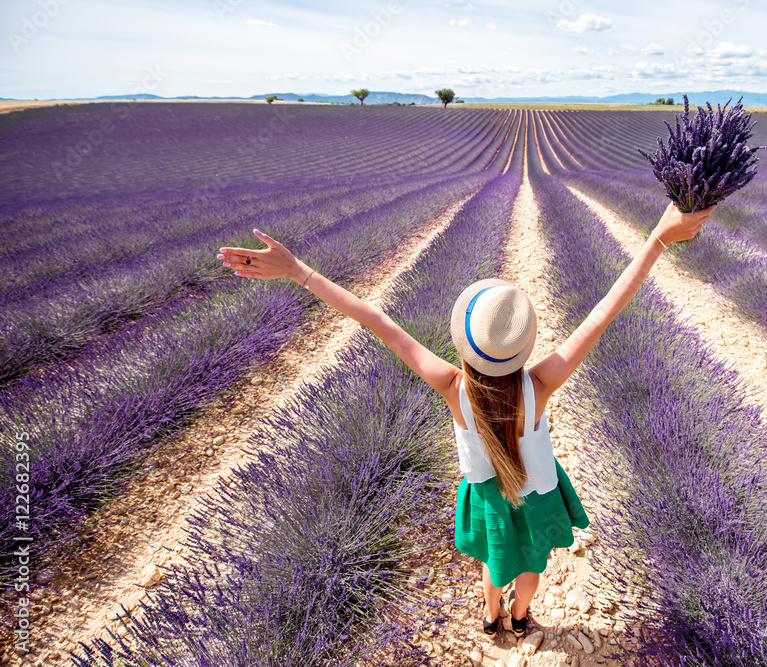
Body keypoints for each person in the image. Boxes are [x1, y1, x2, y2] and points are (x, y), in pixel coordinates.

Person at [214, 201, 715, 639]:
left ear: (466, 346)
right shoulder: (538, 387)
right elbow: (602, 313)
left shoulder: (454, 389)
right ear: (523, 348)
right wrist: (656, 239)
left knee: (493, 564)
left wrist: (300, 271)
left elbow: (377, 321)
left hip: (487, 499)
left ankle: (490, 615)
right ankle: (522, 618)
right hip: (538, 494)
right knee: (531, 567)